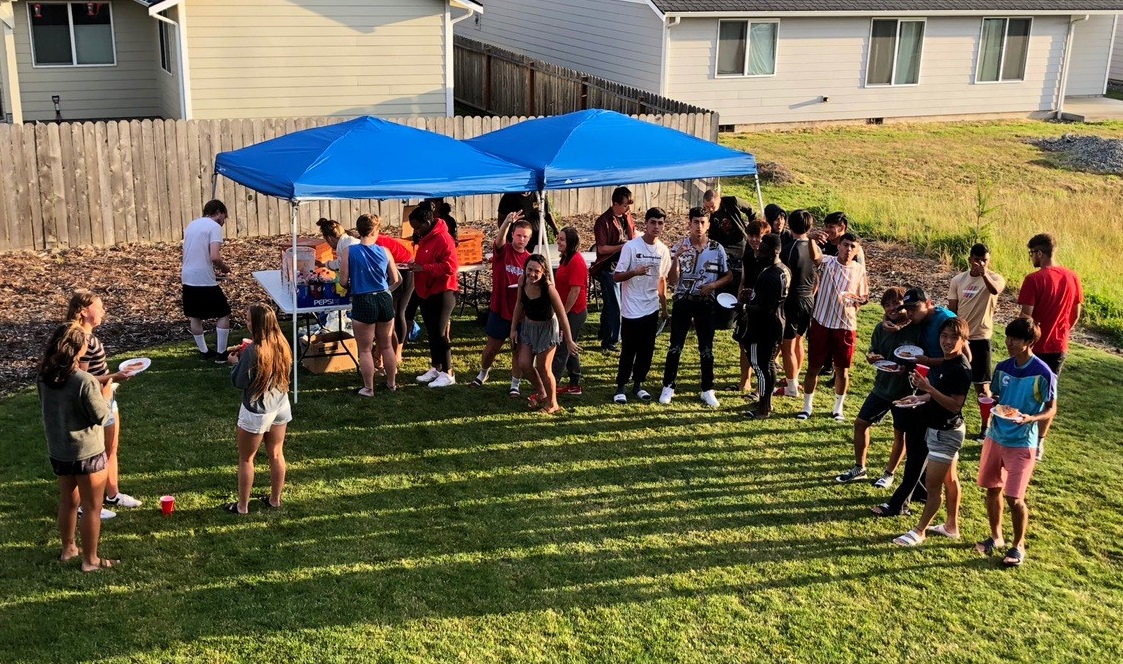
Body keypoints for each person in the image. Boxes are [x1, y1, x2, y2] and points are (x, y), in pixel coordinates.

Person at [975, 317, 1056, 567]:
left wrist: (1033, 417)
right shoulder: (1002, 367)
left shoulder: (1043, 372)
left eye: (1016, 339)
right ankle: (996, 537)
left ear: (1029, 342)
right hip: (996, 436)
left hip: (1022, 442)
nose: (1009, 342)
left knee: (1015, 498)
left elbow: (1051, 409)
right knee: (992, 488)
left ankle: (1018, 545)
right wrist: (989, 399)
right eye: (1008, 337)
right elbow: (998, 396)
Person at [38, 323, 118, 572]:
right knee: (92, 508)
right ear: (77, 348)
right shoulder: (84, 381)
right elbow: (101, 417)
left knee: (67, 502)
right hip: (87, 453)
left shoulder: (43, 376)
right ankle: (90, 560)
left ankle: (68, 548)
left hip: (59, 450)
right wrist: (106, 393)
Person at [891, 318, 972, 546]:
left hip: (945, 433)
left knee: (932, 485)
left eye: (953, 337)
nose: (947, 341)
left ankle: (920, 530)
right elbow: (939, 395)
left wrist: (928, 388)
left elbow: (955, 404)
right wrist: (920, 396)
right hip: (941, 428)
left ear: (963, 340)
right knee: (950, 479)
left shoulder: (961, 369)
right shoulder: (947, 361)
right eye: (944, 336)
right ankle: (951, 527)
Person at [834, 287, 922, 486]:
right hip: (882, 388)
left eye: (896, 303)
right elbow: (873, 351)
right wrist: (872, 357)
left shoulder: (916, 329)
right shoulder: (880, 328)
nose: (891, 308)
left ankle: (889, 474)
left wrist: (906, 368)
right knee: (860, 423)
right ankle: (859, 467)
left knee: (900, 434)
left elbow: (920, 358)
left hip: (906, 391)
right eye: (887, 304)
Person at [67, 290, 139, 520]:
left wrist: (112, 381)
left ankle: (112, 494)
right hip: (93, 404)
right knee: (91, 457)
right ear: (85, 311)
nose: (103, 311)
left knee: (111, 449)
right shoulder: (81, 339)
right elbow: (81, 379)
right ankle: (85, 505)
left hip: (107, 398)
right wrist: (114, 378)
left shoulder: (89, 335)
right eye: (100, 307)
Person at [658, 207, 732, 407]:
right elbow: (672, 280)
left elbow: (728, 275)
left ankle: (708, 389)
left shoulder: (717, 249)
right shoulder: (679, 246)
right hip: (683, 301)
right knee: (675, 346)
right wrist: (676, 259)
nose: (698, 226)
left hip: (706, 303)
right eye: (695, 222)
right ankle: (668, 386)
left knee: (706, 348)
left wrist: (713, 286)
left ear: (708, 225)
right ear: (689, 223)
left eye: (702, 222)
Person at [1018, 233, 1082, 460]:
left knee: (1025, 391)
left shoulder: (1033, 280)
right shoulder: (1072, 277)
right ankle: (1039, 443)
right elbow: (1075, 315)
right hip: (1059, 345)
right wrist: (1061, 331)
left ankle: (1021, 433)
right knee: (1048, 396)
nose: (1031, 258)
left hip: (1034, 346)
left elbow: (1026, 318)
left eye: (1031, 254)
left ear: (1039, 253)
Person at [224, 304, 293, 515]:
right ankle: (275, 499)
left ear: (257, 323)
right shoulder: (281, 343)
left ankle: (242, 506)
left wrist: (235, 362)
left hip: (257, 409)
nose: (246, 322)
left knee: (246, 459)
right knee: (276, 453)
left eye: (248, 319)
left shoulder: (254, 351)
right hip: (280, 403)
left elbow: (239, 381)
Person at [797, 233, 869, 422]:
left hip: (845, 326)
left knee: (842, 370)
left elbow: (863, 296)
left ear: (857, 250)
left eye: (853, 247)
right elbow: (815, 256)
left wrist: (859, 300)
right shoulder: (828, 262)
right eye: (846, 245)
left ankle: (838, 409)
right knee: (814, 367)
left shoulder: (859, 270)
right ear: (839, 246)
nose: (848, 250)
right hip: (821, 321)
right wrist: (811, 239)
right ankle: (807, 407)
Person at [613, 208, 672, 404]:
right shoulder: (631, 247)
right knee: (629, 348)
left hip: (651, 307)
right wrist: (635, 272)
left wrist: (664, 308)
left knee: (646, 349)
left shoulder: (663, 251)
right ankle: (621, 386)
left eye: (660, 223)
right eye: (653, 222)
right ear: (645, 224)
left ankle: (638, 384)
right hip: (631, 308)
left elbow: (662, 280)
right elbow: (617, 276)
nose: (656, 226)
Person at [947, 243, 1006, 438]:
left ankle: (985, 427)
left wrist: (984, 274)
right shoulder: (958, 280)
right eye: (977, 260)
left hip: (981, 337)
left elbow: (995, 290)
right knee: (954, 381)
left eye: (985, 260)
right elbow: (952, 310)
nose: (981, 263)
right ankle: (952, 419)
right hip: (962, 339)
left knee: (982, 386)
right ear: (970, 259)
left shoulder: (995, 278)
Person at [340, 214, 402, 396]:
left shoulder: (349, 251)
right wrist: (387, 290)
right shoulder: (385, 251)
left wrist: (353, 285)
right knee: (387, 346)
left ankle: (369, 388)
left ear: (359, 231)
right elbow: (396, 279)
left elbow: (343, 281)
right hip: (383, 297)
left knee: (365, 349)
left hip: (363, 299)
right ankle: (392, 384)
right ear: (376, 230)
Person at [510, 254, 580, 415]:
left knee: (543, 368)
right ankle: (541, 392)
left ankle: (552, 403)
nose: (532, 274)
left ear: (543, 272)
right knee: (524, 363)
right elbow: (519, 304)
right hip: (528, 327)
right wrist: (513, 329)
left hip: (547, 330)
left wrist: (569, 340)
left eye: (536, 271)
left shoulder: (548, 288)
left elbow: (562, 314)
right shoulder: (522, 281)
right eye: (529, 269)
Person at [471, 212, 531, 395]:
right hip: (499, 309)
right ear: (513, 234)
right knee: (492, 348)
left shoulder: (529, 259)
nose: (521, 239)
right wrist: (506, 222)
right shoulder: (503, 251)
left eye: (526, 236)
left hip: (520, 314)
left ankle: (515, 383)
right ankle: (483, 373)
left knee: (518, 350)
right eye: (519, 235)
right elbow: (498, 241)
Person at [407, 204, 459, 387]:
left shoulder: (444, 239)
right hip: (426, 291)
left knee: (440, 332)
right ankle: (436, 367)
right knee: (431, 331)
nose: (416, 231)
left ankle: (448, 372)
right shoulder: (425, 238)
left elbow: (450, 267)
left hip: (444, 291)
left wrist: (425, 268)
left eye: (418, 227)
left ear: (427, 222)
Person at [741, 234, 790, 419]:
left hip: (762, 328)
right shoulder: (783, 270)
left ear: (775, 251)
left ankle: (762, 408)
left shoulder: (770, 275)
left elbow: (765, 308)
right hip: (777, 324)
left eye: (762, 250)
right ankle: (767, 403)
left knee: (760, 368)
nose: (758, 252)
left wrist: (744, 306)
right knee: (769, 365)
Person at [181, 199, 232, 362]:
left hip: (188, 275)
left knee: (195, 316)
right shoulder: (214, 227)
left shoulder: (192, 225)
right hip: (204, 277)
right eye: (224, 217)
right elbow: (214, 256)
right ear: (219, 212)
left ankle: (204, 352)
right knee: (224, 312)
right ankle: (221, 354)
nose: (223, 222)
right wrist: (224, 268)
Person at [778, 210, 821, 398]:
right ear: (809, 227)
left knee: (787, 346)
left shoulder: (788, 250)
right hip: (808, 299)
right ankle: (794, 378)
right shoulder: (814, 248)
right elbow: (817, 277)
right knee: (799, 341)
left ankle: (791, 386)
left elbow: (783, 280)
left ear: (789, 225)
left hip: (791, 301)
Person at [591, 187, 636, 352]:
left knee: (611, 303)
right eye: (625, 205)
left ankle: (604, 332)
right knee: (615, 305)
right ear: (615, 204)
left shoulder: (626, 217)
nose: (628, 208)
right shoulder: (603, 221)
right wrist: (622, 246)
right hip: (608, 267)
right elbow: (602, 249)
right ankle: (611, 341)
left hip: (623, 265)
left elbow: (632, 237)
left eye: (629, 205)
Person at [704, 189, 755, 329]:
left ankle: (736, 310)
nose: (710, 209)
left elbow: (750, 209)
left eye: (712, 206)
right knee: (723, 271)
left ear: (719, 199)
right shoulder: (709, 213)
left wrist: (751, 227)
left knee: (739, 274)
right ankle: (718, 309)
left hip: (739, 243)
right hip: (722, 245)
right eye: (707, 207)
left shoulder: (732, 201)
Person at [736, 218, 773, 394]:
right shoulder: (748, 253)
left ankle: (761, 386)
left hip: (764, 309)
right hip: (747, 306)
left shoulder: (771, 259)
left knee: (763, 350)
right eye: (751, 236)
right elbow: (743, 279)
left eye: (758, 236)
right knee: (743, 343)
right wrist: (739, 301)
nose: (753, 240)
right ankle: (745, 380)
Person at [552, 227, 589, 395]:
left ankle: (551, 384)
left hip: (573, 312)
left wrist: (563, 314)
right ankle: (575, 383)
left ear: (571, 243)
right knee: (570, 344)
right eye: (558, 238)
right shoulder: (565, 259)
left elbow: (575, 291)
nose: (558, 242)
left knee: (562, 347)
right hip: (567, 310)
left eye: (562, 240)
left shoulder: (576, 261)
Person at [902, 288, 957, 365]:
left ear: (928, 303)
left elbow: (961, 357)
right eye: (907, 309)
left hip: (948, 373)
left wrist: (928, 361)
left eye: (914, 308)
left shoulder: (946, 319)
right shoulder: (920, 319)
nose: (910, 313)